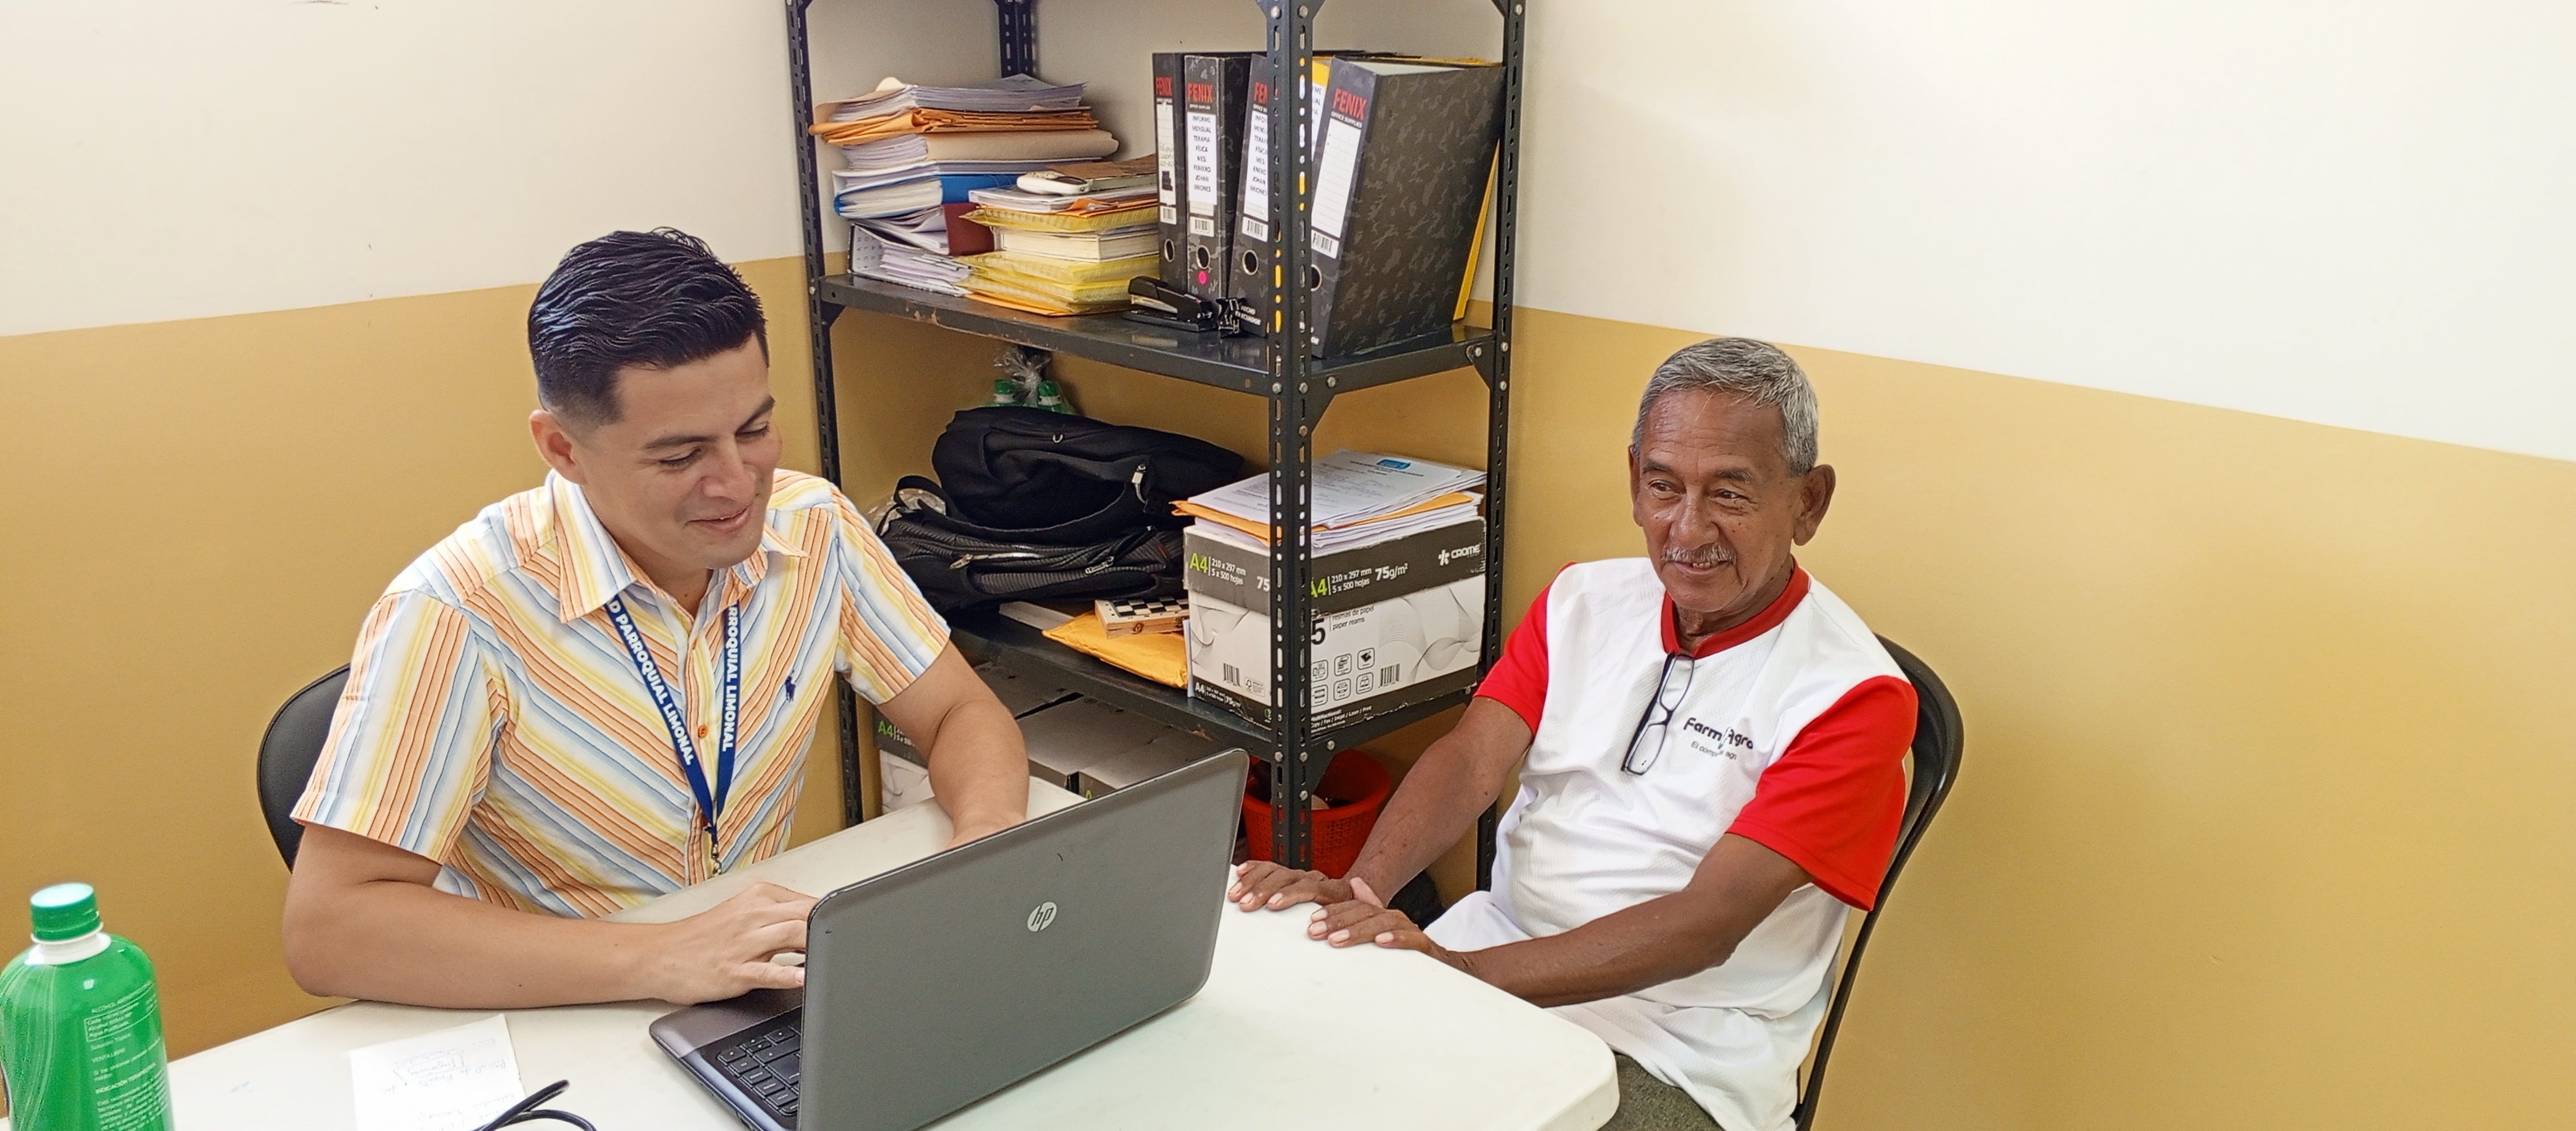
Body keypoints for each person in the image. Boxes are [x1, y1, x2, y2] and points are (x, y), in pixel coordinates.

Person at [283, 229, 1030, 1010]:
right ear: (562, 448)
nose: (737, 484)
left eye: (754, 430)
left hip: (756, 985)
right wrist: (664, 957)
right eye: (680, 457)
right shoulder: (456, 613)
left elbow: (957, 711)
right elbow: (331, 929)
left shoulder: (814, 527)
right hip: (559, 1008)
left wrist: (985, 842)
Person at [1229, 338, 1917, 1131]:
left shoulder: (1855, 697)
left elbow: (1708, 923)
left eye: (1730, 494)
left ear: (1808, 502)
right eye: (1664, 485)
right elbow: (1471, 760)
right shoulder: (1581, 601)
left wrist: (1455, 970)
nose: (1688, 528)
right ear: (1634, 482)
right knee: (1270, 1071)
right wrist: (1362, 892)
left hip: (1678, 1044)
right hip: (1492, 952)